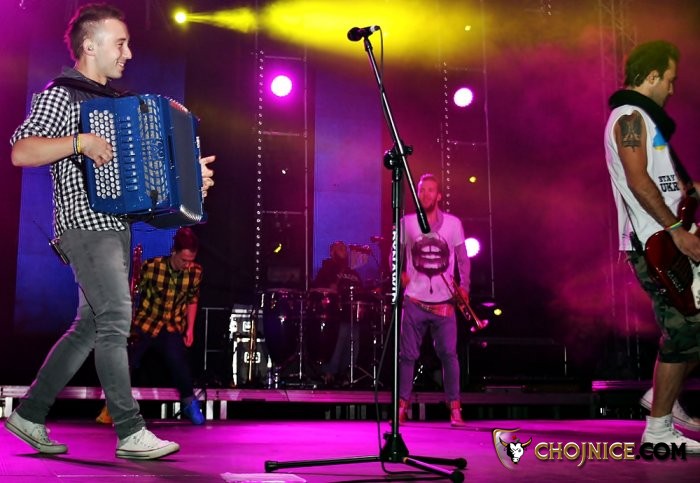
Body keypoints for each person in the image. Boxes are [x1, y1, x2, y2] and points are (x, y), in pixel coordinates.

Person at [5, 4, 214, 459]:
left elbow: (147, 178)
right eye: (120, 43)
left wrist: (189, 179)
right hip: (84, 227)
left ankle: (28, 414)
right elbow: (22, 150)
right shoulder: (62, 95)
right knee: (118, 318)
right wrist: (79, 141)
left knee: (89, 328)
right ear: (89, 45)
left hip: (116, 229)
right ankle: (130, 430)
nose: (128, 53)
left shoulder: (119, 105)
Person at [604, 39, 700, 451]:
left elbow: (667, 183)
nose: (673, 89)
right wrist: (677, 229)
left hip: (668, 236)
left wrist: (691, 193)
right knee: (683, 330)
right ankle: (658, 430)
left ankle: (662, 398)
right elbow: (638, 180)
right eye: (670, 80)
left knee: (691, 328)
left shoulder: (646, 119)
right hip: (655, 243)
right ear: (653, 76)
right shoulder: (629, 116)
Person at [96, 227, 206, 426]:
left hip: (172, 325)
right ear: (174, 252)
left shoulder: (195, 272)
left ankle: (189, 403)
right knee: (127, 362)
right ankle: (113, 407)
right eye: (183, 260)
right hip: (147, 323)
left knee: (178, 362)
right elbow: (133, 294)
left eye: (190, 260)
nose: (187, 265)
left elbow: (192, 300)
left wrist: (190, 328)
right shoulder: (152, 266)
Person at [398, 173, 470, 427]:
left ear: (439, 196)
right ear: (417, 194)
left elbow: (463, 259)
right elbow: (395, 254)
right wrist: (399, 274)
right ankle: (401, 407)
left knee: (449, 355)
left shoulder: (453, 224)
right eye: (422, 190)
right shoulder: (406, 222)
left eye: (430, 190)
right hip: (414, 299)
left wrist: (465, 287)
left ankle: (455, 408)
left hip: (444, 302)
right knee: (407, 355)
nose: (426, 194)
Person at [313, 241, 363, 385]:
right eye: (339, 248)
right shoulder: (327, 270)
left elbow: (361, 291)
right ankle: (329, 373)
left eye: (344, 248)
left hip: (353, 314)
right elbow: (320, 289)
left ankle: (347, 373)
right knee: (338, 342)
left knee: (354, 343)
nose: (344, 250)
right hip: (336, 315)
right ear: (332, 252)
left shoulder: (353, 272)